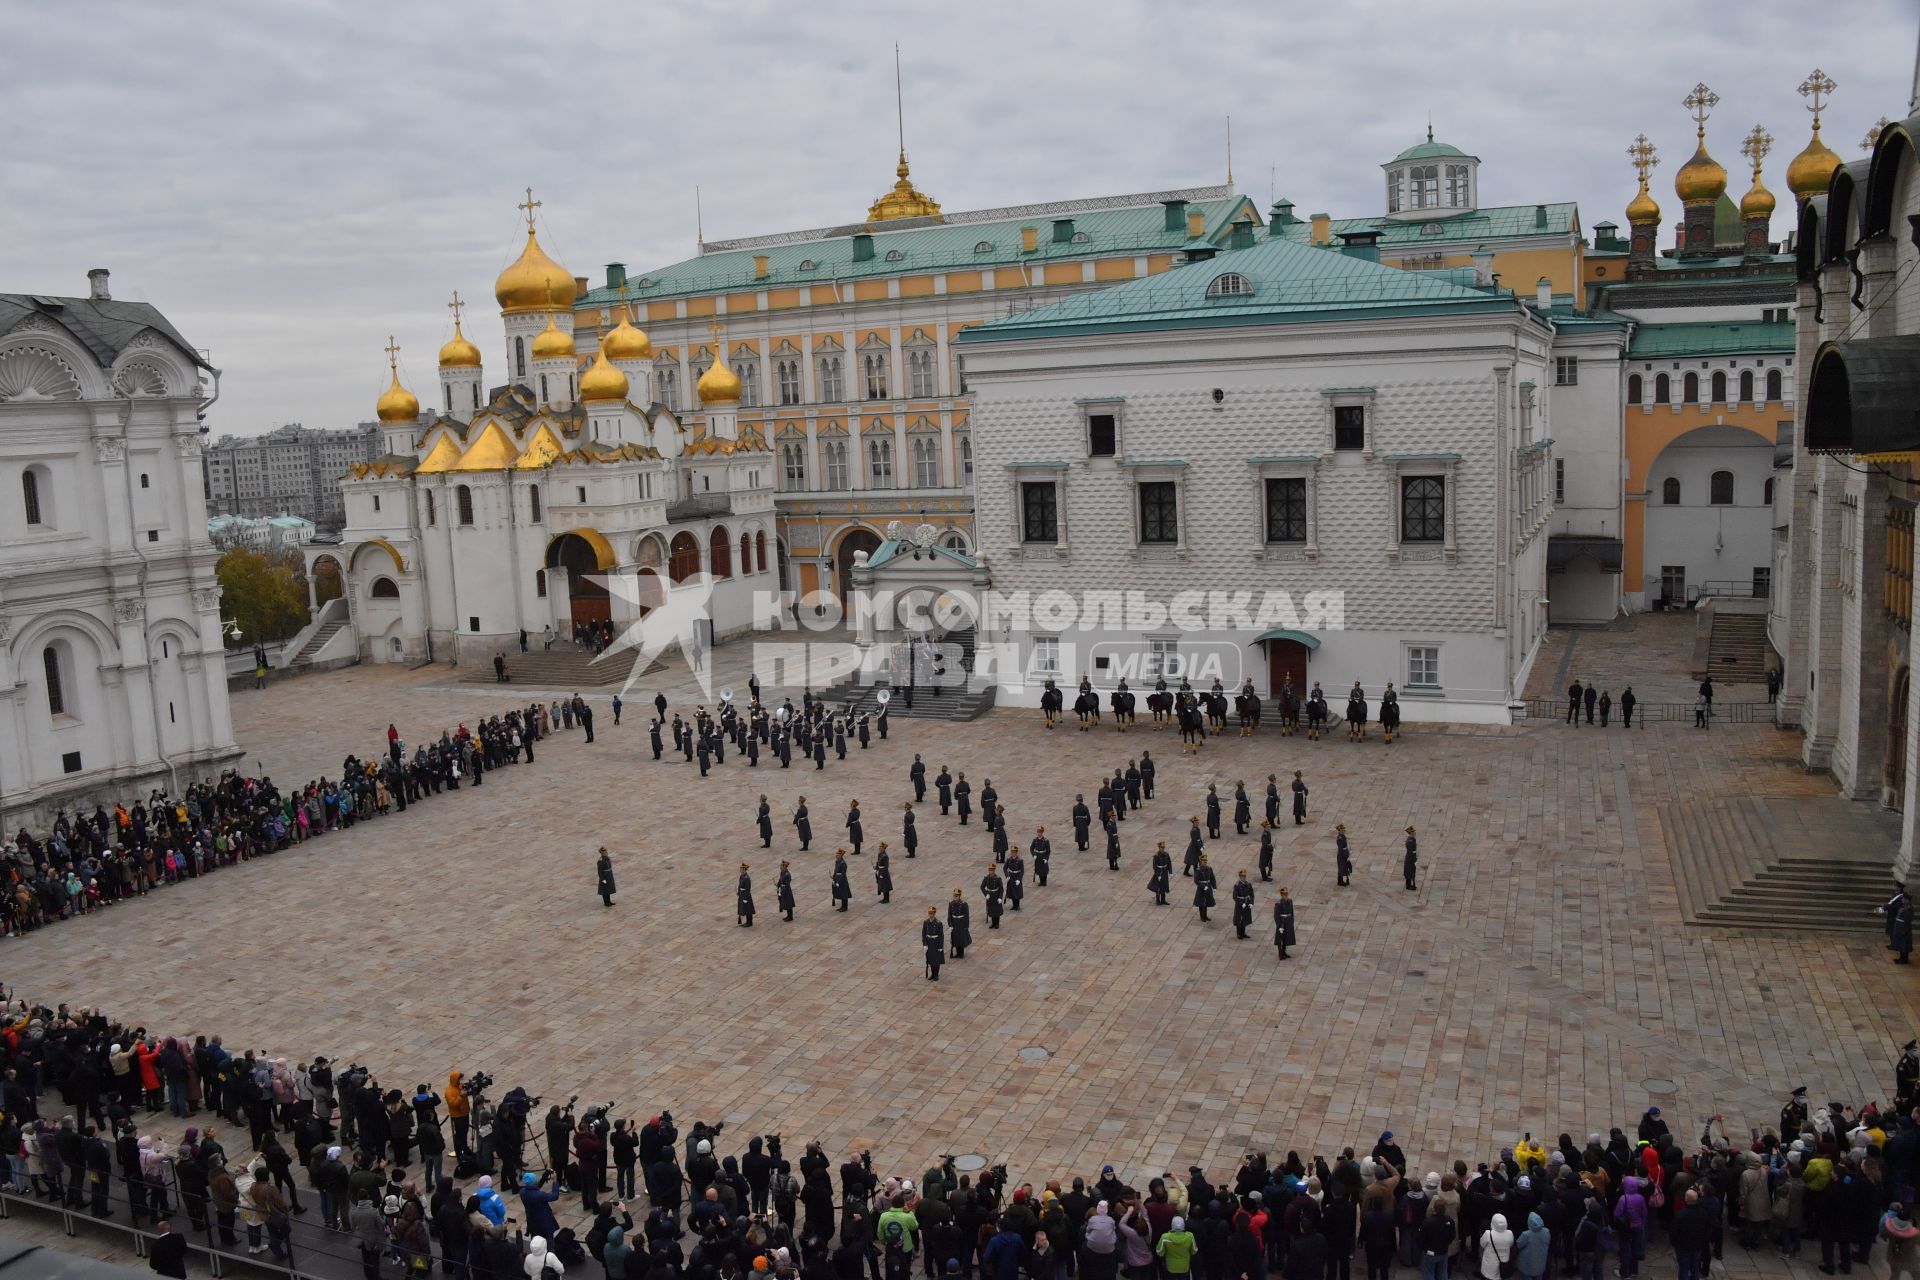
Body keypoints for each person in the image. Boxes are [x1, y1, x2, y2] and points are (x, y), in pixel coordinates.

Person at [1886, 885, 1914, 964]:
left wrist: (1903, 930)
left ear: (1907, 900)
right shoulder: (1904, 906)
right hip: (1900, 927)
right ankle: (1902, 958)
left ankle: (1904, 959)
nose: (1902, 900)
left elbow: (1907, 921)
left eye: (1904, 899)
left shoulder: (1908, 908)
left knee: (1903, 945)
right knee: (1901, 944)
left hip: (1903, 929)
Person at [922, 907, 946, 981]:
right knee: (931, 959)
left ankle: (936, 974)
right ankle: (932, 974)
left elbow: (941, 936)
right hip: (929, 943)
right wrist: (925, 944)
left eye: (932, 914)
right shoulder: (926, 922)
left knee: (936, 959)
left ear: (934, 914)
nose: (930, 915)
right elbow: (924, 934)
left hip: (936, 943)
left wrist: (940, 946)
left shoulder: (938, 923)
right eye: (929, 913)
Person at [1231, 871, 1255, 939]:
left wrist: (1251, 903)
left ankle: (1243, 933)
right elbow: (1235, 897)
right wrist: (1241, 903)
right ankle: (1239, 934)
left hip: (1246, 902)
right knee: (1239, 919)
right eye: (1242, 876)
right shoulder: (1237, 885)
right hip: (1239, 904)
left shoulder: (1248, 884)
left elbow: (1251, 894)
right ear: (1240, 877)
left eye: (1244, 876)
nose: (1244, 878)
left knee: (1245, 918)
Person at [1192, 854, 1216, 923]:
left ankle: (1205, 915)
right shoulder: (1198, 870)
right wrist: (1203, 886)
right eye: (1204, 861)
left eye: (1206, 861)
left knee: (1206, 902)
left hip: (1208, 887)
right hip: (1201, 888)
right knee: (1201, 902)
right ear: (1200, 862)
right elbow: (1196, 881)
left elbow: (1212, 878)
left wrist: (1214, 887)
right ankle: (1202, 916)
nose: (1205, 862)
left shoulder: (1209, 868)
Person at [948, 890, 971, 960]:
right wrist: (950, 925)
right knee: (955, 938)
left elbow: (966, 916)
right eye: (954, 896)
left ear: (959, 896)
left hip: (961, 923)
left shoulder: (964, 904)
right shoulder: (951, 904)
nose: (955, 897)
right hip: (954, 922)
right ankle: (957, 953)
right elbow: (949, 915)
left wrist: (966, 926)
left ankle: (961, 953)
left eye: (956, 896)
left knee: (961, 938)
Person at [1274, 888, 1296, 960]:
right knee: (1280, 939)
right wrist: (1279, 926)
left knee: (1286, 939)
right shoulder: (1278, 904)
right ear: (1282, 895)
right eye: (1285, 895)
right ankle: (1281, 955)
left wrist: (1291, 921)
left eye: (1287, 894)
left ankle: (1284, 952)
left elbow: (1291, 912)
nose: (1286, 896)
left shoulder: (1290, 901)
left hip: (1288, 922)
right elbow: (1276, 916)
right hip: (1282, 922)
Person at [981, 865, 1005, 930]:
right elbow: (982, 887)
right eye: (989, 870)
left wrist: (1000, 897)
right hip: (990, 896)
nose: (990, 871)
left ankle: (997, 923)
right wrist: (986, 894)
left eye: (991, 870)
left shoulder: (998, 878)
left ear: (994, 871)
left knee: (996, 910)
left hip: (996, 895)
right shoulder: (986, 878)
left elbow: (1001, 889)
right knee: (991, 909)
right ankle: (993, 923)